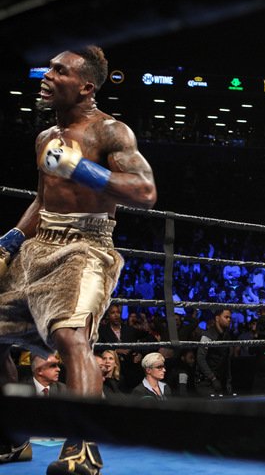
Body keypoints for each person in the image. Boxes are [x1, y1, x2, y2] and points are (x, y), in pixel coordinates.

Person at [0, 45, 157, 473]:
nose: (46, 76)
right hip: (38, 245)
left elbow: (145, 191)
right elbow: (41, 199)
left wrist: (81, 169)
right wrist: (9, 241)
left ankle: (84, 445)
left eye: (58, 70)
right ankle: (13, 439)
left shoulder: (110, 132)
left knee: (73, 338)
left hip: (86, 247)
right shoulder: (44, 137)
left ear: (86, 86)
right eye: (47, 67)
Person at [196, 309, 233, 397]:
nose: (229, 320)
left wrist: (228, 380)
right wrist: (212, 378)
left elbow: (226, 359)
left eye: (230, 318)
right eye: (226, 317)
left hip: (220, 380)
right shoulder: (207, 335)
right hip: (206, 382)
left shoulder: (226, 336)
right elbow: (200, 358)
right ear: (217, 318)